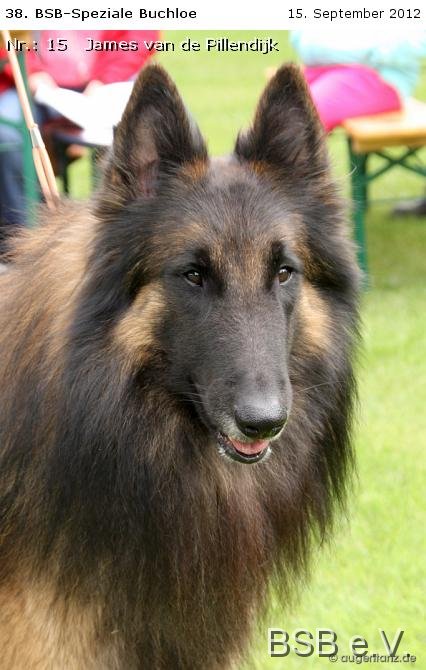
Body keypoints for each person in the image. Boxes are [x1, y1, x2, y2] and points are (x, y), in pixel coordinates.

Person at [0, 30, 159, 242]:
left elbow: (139, 35)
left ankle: (125, 238)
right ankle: (23, 237)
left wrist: (105, 79)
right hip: (33, 83)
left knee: (146, 134)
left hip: (108, 83)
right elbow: (9, 35)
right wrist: (31, 71)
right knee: (7, 133)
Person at [291, 31, 426, 217]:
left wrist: (366, 52)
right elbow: (302, 39)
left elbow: (414, 42)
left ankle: (300, 213)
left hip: (379, 76)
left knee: (298, 123)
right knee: (285, 108)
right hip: (322, 67)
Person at [291, 30, 426, 131]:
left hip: (379, 75)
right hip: (319, 67)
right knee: (284, 108)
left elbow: (416, 40)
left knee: (297, 119)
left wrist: (369, 51)